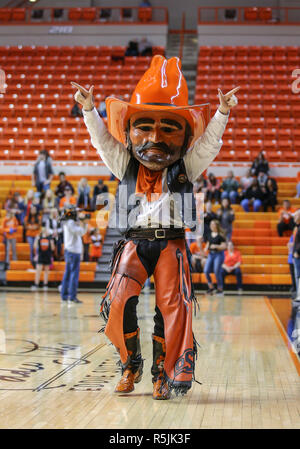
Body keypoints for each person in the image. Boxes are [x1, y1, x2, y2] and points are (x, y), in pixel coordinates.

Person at [71, 55, 239, 399]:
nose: (155, 137)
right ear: (131, 132)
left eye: (168, 128)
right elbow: (102, 141)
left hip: (171, 244)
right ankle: (130, 363)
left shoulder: (186, 165)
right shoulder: (124, 162)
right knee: (117, 302)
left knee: (172, 307)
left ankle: (161, 372)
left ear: (184, 133)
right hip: (134, 241)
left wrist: (222, 114)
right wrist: (89, 110)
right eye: (145, 127)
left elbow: (209, 145)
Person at [60, 206, 88, 303]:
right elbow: (81, 232)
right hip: (73, 252)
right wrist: (84, 224)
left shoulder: (68, 222)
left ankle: (64, 295)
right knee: (73, 275)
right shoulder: (70, 223)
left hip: (71, 251)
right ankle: (71, 296)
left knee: (68, 273)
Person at [203, 220, 227, 295]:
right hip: (211, 254)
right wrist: (205, 249)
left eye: (213, 224)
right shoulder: (209, 234)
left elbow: (224, 246)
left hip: (219, 254)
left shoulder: (220, 235)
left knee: (217, 271)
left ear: (216, 225)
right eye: (210, 224)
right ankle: (211, 287)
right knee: (206, 270)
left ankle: (220, 288)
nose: (211, 226)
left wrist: (216, 246)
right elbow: (208, 243)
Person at [31, 223, 55, 291]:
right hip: (41, 256)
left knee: (46, 271)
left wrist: (51, 241)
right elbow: (35, 246)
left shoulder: (50, 239)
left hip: (47, 256)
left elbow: (53, 248)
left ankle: (45, 284)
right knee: (38, 270)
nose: (45, 232)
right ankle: (36, 284)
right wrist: (36, 239)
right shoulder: (39, 238)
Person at [293, 210, 300, 300]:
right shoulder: (297, 227)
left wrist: (297, 251)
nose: (294, 218)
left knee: (299, 276)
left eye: (296, 216)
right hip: (296, 255)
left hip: (298, 255)